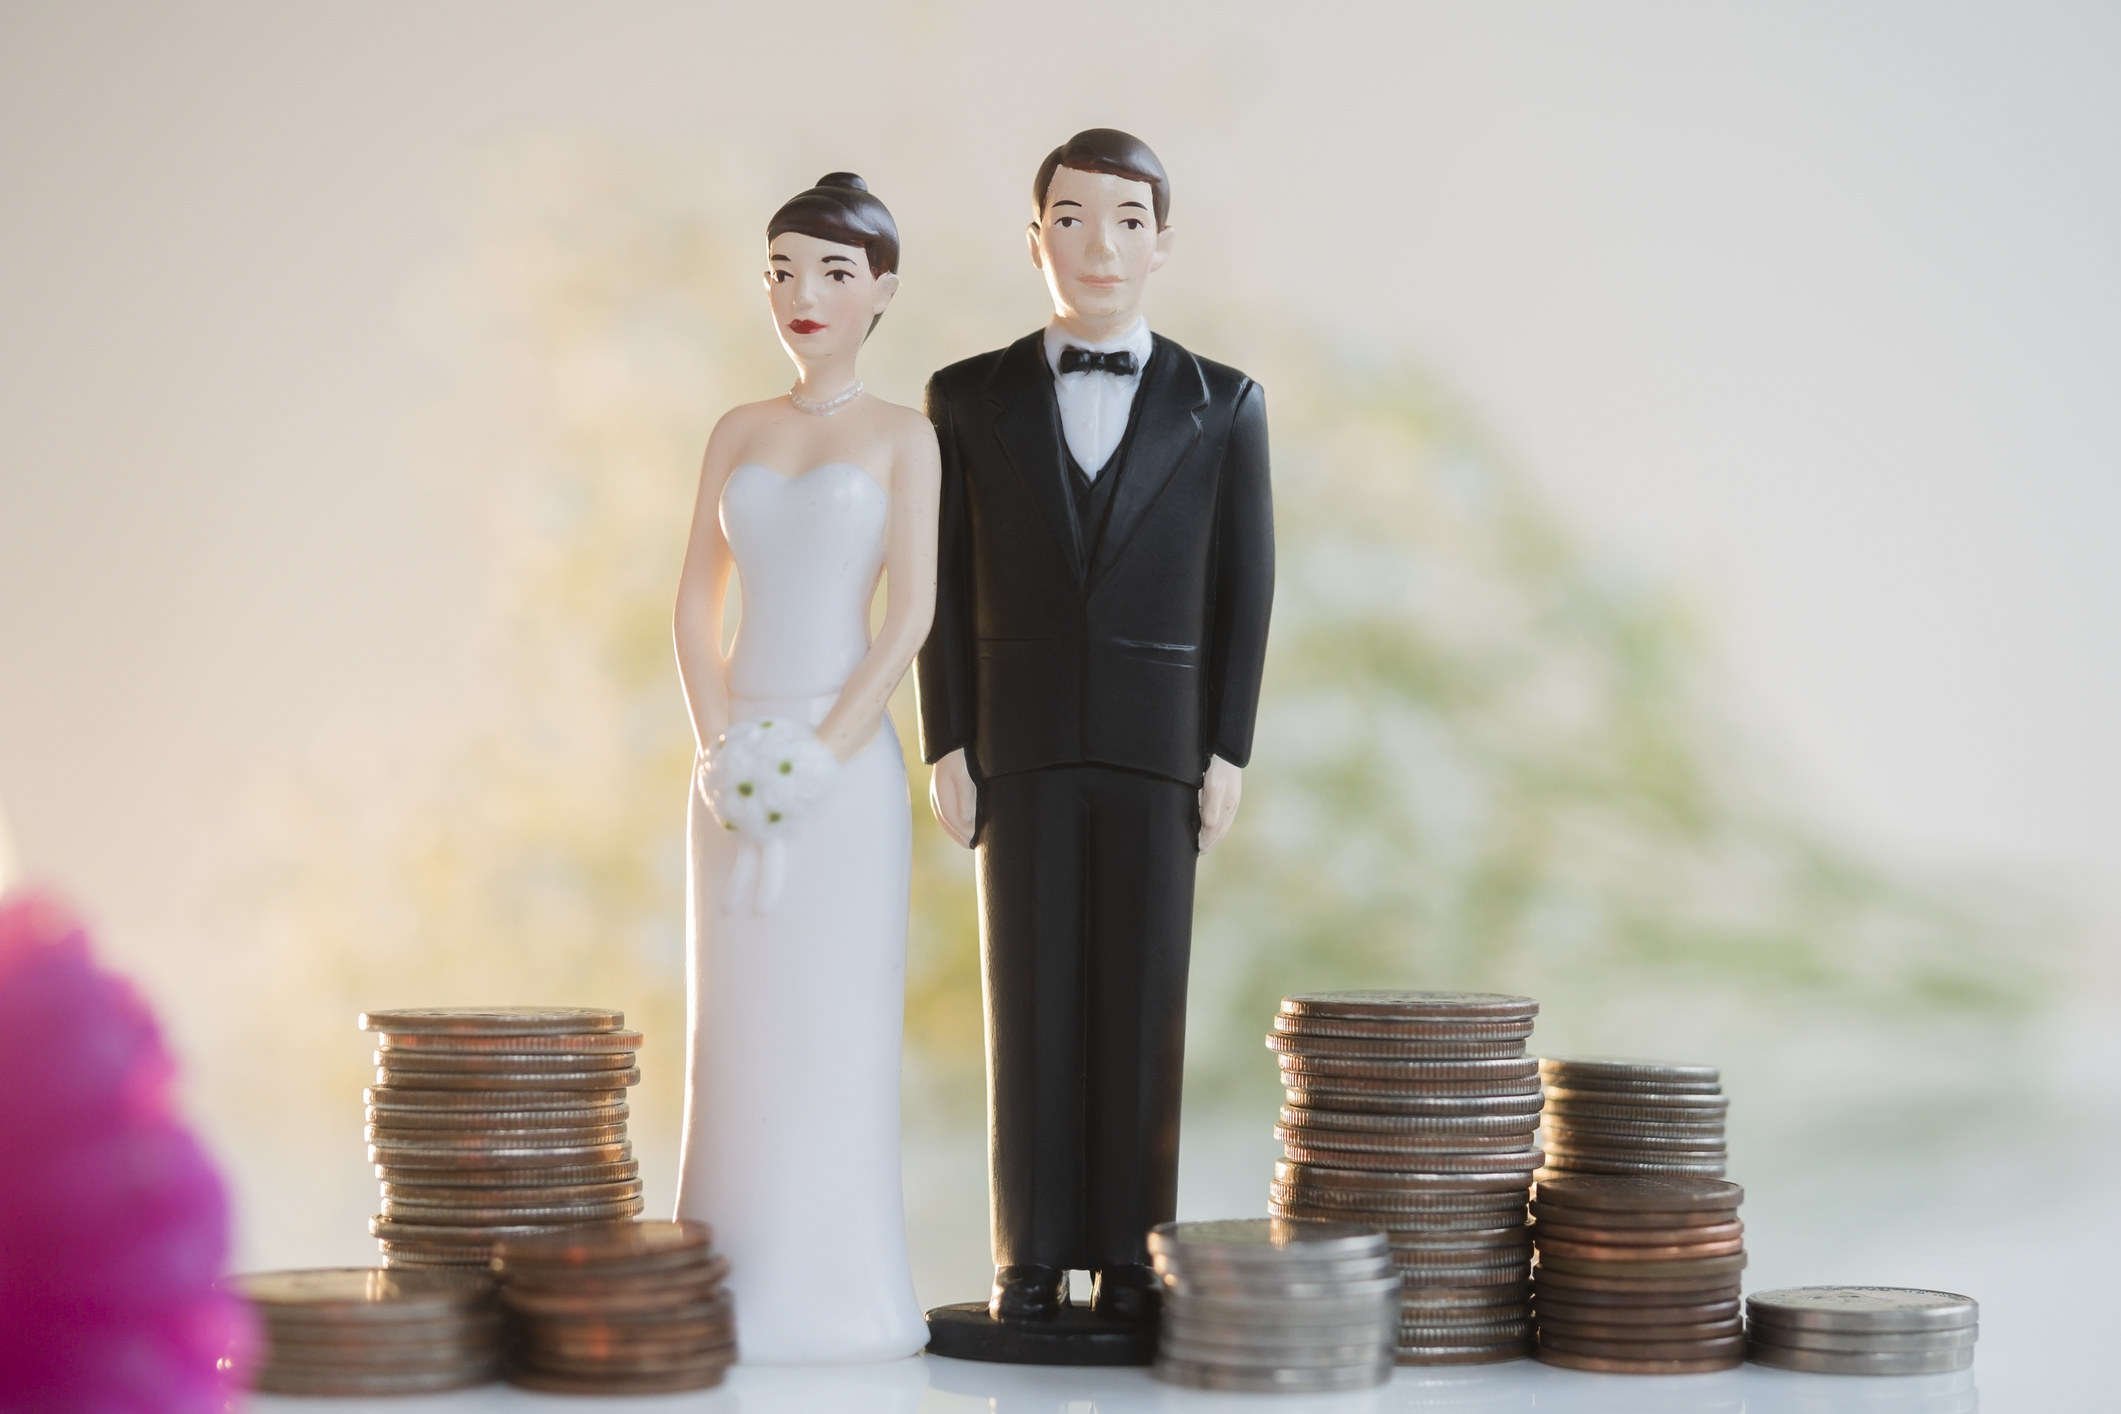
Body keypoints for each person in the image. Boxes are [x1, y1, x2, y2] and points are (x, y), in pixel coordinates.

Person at [917, 129, 1275, 1339]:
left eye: (1126, 221)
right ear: (1035, 241)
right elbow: (939, 578)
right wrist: (945, 739)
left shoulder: (1223, 404)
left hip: (1157, 744)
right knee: (1026, 1001)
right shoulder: (967, 397)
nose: (1099, 246)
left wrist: (1226, 748)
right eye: (1071, 219)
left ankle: (1128, 1258)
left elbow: (1247, 587)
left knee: (1141, 1004)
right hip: (1015, 741)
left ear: (1162, 242)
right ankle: (1027, 1257)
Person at [672, 173, 938, 1363]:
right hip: (730, 767)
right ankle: (718, 1286)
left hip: (844, 773)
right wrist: (717, 742)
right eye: (782, 270)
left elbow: (910, 619)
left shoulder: (906, 438)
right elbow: (691, 598)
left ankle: (842, 1294)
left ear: (882, 288)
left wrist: (819, 758)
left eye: (832, 271)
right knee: (736, 1028)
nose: (802, 295)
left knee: (833, 1025)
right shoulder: (736, 428)